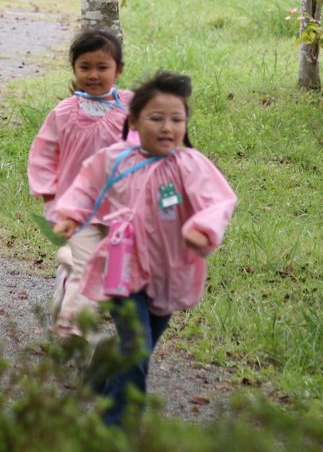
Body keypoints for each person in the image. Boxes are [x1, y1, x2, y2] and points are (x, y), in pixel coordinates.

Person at [52, 72, 237, 426]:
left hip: (171, 269)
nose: (167, 127)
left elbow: (218, 201)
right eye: (156, 118)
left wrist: (202, 230)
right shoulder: (117, 159)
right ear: (134, 121)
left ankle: (106, 367)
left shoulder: (190, 164)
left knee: (142, 344)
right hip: (123, 265)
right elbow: (86, 187)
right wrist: (71, 216)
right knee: (137, 348)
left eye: (176, 119)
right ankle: (116, 428)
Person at [28, 29, 132, 338]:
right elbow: (44, 153)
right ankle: (71, 329)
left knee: (115, 274)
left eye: (102, 67)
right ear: (74, 69)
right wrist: (49, 195)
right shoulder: (63, 112)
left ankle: (68, 270)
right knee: (89, 269)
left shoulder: (133, 108)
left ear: (118, 70)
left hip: (123, 208)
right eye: (85, 67)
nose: (94, 74)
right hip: (79, 209)